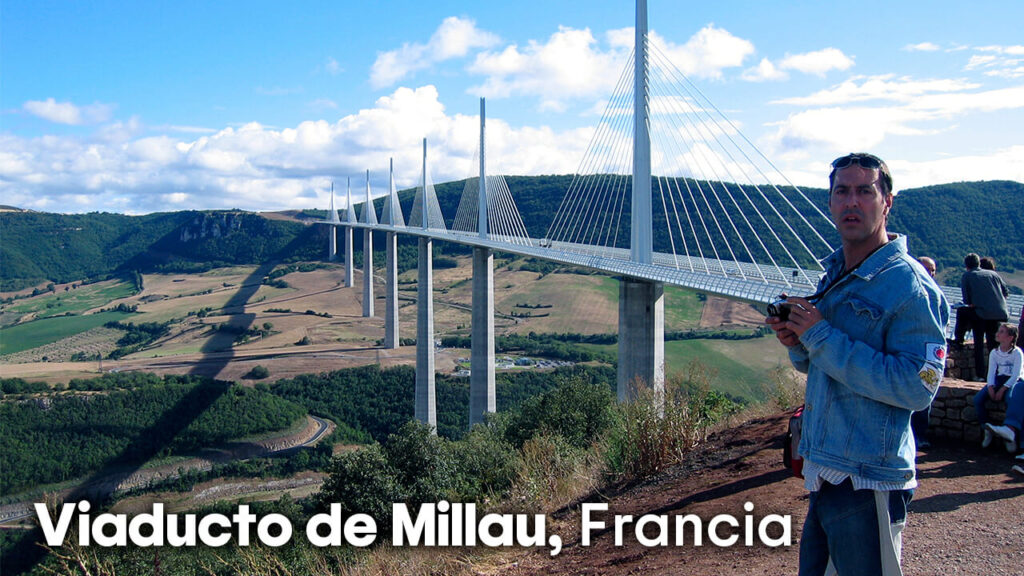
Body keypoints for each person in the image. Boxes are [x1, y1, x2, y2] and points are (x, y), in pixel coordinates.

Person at [766, 153, 949, 576]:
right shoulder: (837, 272)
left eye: (865, 191)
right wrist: (799, 342)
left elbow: (917, 387)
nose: (852, 202)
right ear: (830, 203)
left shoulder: (909, 285)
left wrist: (820, 335)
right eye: (842, 192)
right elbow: (825, 365)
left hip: (869, 480)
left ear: (887, 202)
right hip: (826, 471)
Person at [961, 252, 1009, 379]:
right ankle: (998, 374)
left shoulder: (967, 275)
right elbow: (1005, 292)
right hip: (1000, 314)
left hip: (981, 314)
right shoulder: (994, 274)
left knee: (979, 344)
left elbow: (967, 301)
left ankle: (980, 374)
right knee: (994, 346)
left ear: (966, 266)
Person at [979, 323, 1024, 452]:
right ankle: (987, 430)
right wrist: (991, 387)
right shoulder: (995, 352)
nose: (997, 334)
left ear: (1010, 338)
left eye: (1002, 332)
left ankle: (1010, 435)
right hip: (999, 380)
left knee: (1011, 400)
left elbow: (1016, 375)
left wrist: (1003, 389)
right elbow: (991, 372)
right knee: (978, 400)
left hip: (1013, 381)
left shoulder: (1017, 353)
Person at [911, 256, 939, 449]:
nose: (931, 273)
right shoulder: (909, 291)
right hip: (911, 353)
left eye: (933, 270)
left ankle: (920, 436)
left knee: (924, 397)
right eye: (927, 269)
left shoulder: (936, 294)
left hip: (928, 355)